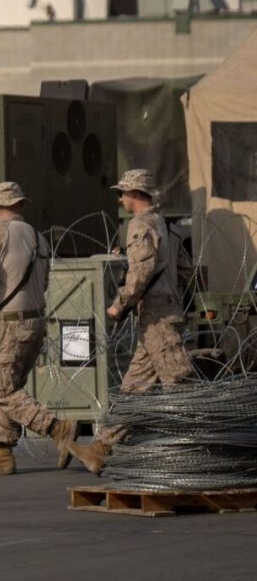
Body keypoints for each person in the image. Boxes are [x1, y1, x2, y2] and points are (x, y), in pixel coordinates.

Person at [70, 169, 193, 474]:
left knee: (179, 384)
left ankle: (195, 452)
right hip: (163, 311)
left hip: (157, 315)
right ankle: (101, 448)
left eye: (122, 193)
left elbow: (141, 272)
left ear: (135, 194)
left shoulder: (140, 225)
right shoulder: (165, 225)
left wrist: (120, 303)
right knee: (135, 387)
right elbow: (185, 269)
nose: (121, 199)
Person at [0, 182, 78, 476]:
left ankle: (57, 428)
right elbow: (44, 282)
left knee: (2, 389)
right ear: (21, 205)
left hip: (9, 323)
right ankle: (2, 455)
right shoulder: (39, 238)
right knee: (2, 385)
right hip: (34, 321)